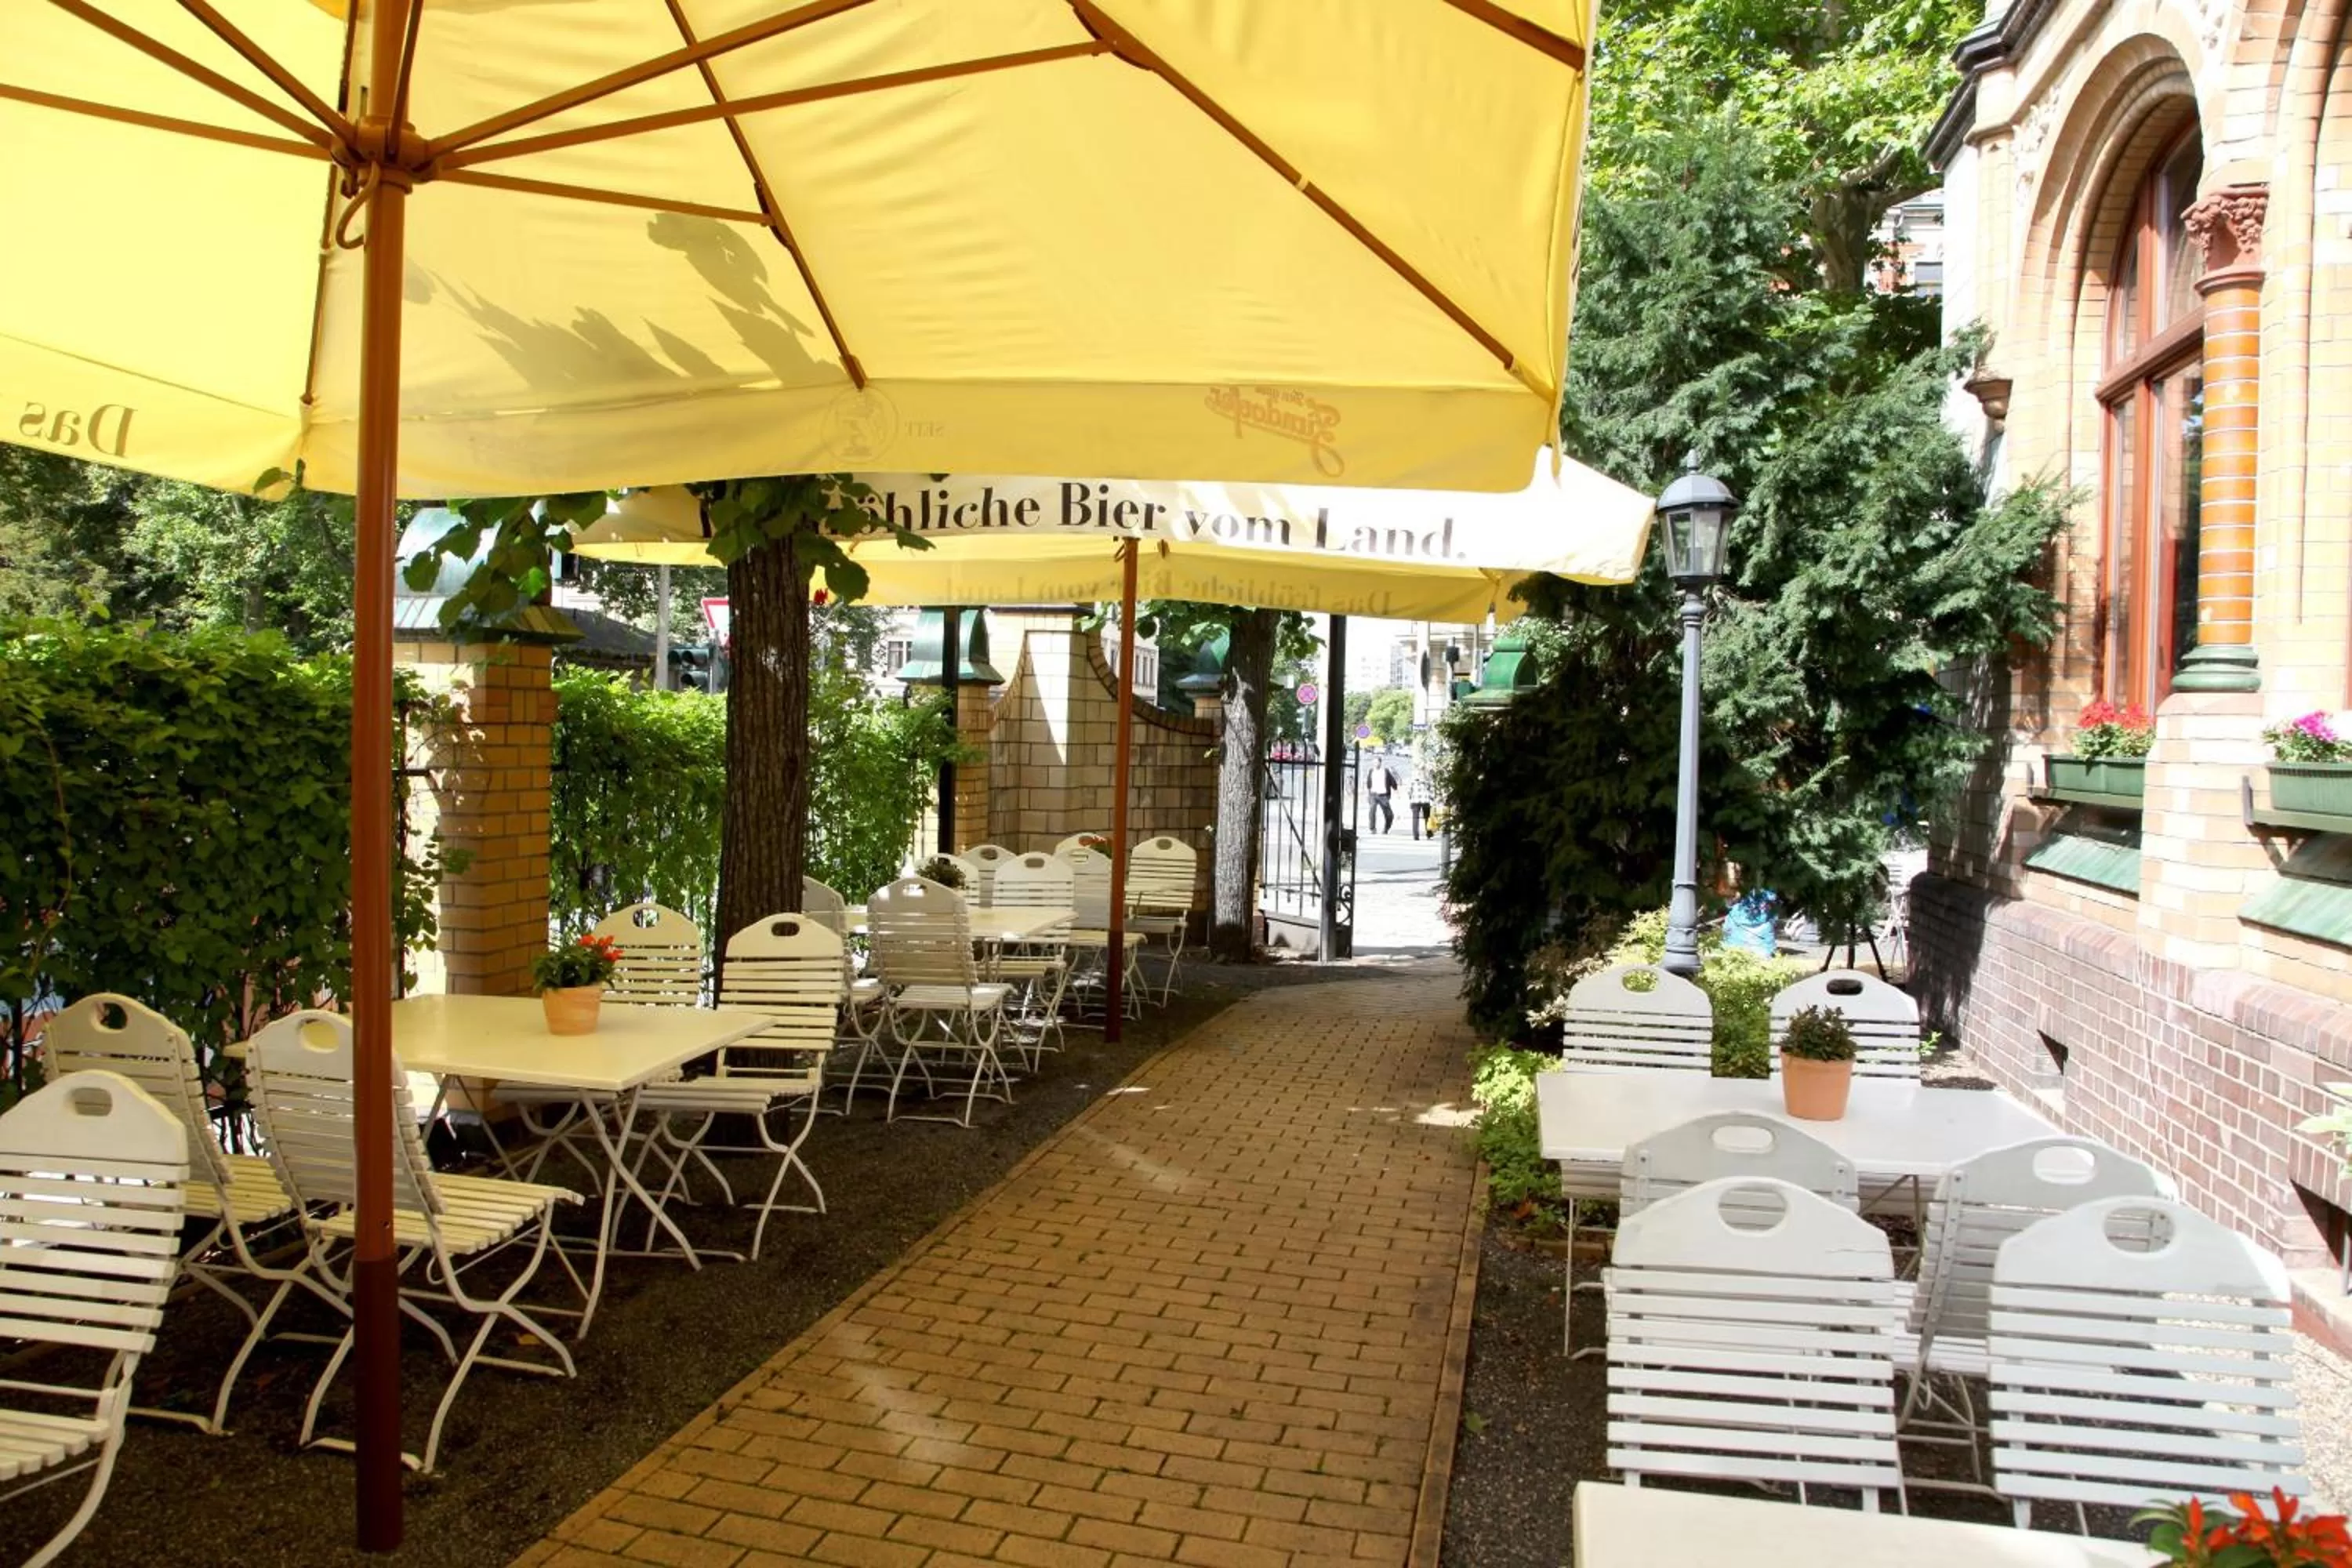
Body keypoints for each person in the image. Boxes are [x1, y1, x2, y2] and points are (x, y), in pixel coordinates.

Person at [1366, 755, 1398, 834]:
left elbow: (1392, 782)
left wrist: (1396, 790)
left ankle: (1386, 828)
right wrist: (1368, 794)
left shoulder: (1385, 771)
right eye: (1374, 763)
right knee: (1372, 810)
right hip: (1373, 794)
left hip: (1383, 795)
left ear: (1380, 763)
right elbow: (1368, 783)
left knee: (1389, 814)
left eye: (1377, 762)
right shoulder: (1371, 771)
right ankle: (1372, 828)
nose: (1375, 764)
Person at [1407, 762, 1433, 840]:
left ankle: (1416, 835)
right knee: (1427, 817)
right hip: (1425, 800)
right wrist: (1432, 798)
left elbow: (1409, 790)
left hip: (1415, 800)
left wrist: (1411, 797)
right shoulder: (1427, 778)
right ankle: (1429, 833)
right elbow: (1431, 789)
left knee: (1415, 818)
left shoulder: (1413, 778)